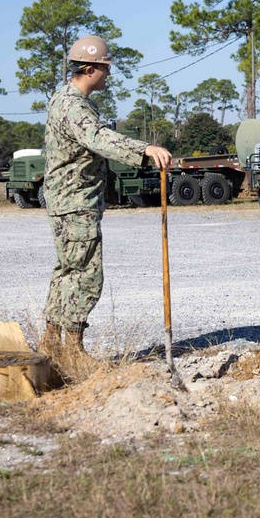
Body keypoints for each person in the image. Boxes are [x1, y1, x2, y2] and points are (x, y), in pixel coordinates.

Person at [40, 35, 172, 360]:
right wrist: (145, 150)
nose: (108, 74)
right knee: (85, 274)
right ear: (89, 69)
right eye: (104, 68)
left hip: (68, 202)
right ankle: (72, 349)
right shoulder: (73, 106)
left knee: (68, 270)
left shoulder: (65, 100)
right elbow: (98, 138)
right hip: (75, 203)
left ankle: (50, 344)